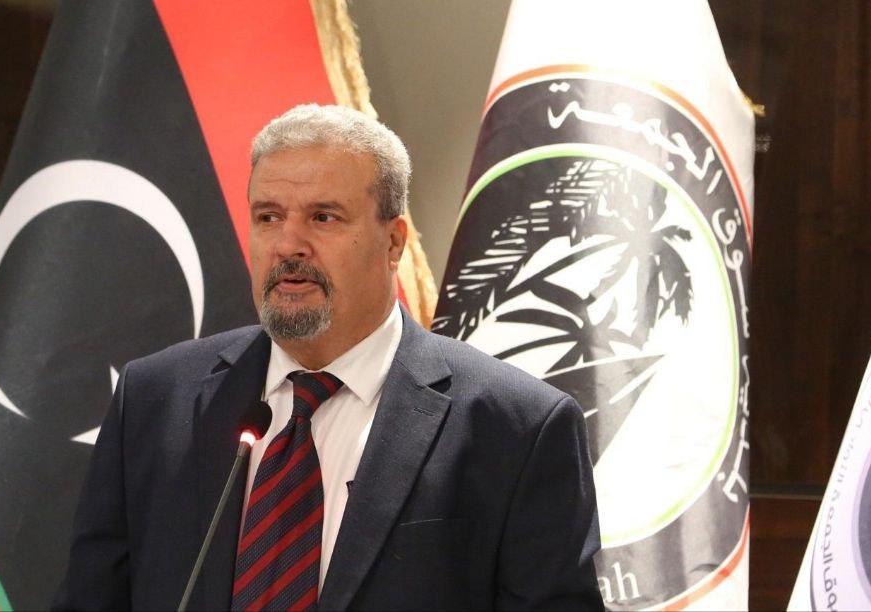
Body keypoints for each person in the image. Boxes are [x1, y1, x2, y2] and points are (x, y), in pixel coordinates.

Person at [54, 104, 602, 610]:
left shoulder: (518, 429)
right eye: (268, 217)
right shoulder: (154, 400)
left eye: (324, 217)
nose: (287, 244)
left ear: (393, 243)